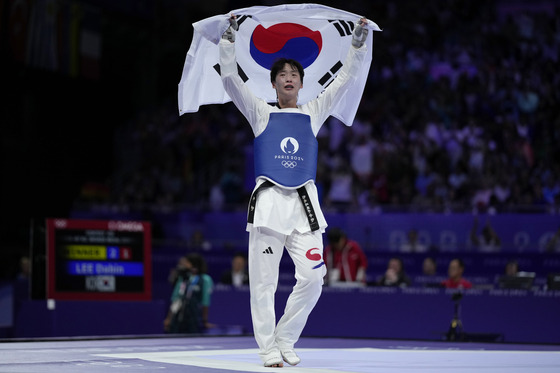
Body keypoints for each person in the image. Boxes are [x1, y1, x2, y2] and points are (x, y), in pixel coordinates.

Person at [220, 14, 371, 367]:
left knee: (315, 277)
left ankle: (285, 337)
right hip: (270, 204)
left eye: (294, 75)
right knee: (263, 285)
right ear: (273, 85)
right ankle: (268, 349)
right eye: (283, 75)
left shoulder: (312, 112)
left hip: (304, 208)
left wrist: (358, 45)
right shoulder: (260, 112)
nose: (289, 78)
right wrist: (228, 42)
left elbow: (343, 81)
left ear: (302, 84)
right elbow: (231, 79)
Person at [164, 253, 214, 334]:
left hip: (194, 318)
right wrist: (169, 318)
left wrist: (205, 320)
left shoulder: (205, 279)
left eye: (187, 263)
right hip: (179, 317)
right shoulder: (183, 278)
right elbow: (176, 298)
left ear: (194, 264)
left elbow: (206, 301)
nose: (184, 265)